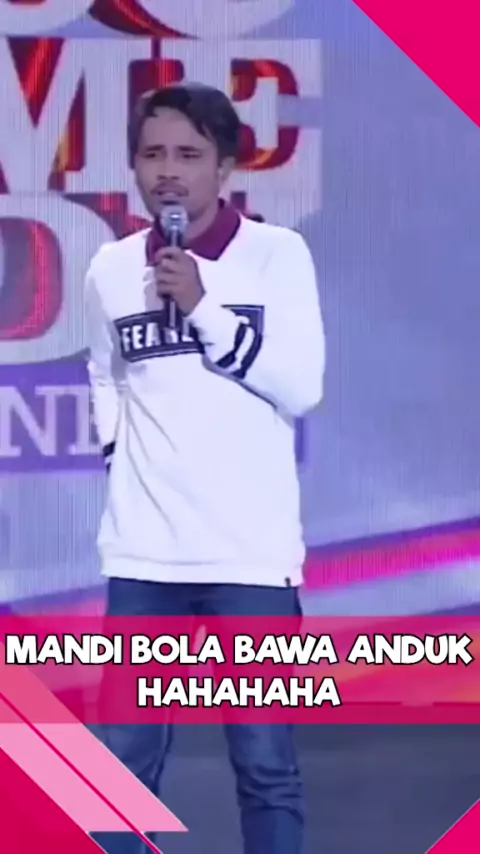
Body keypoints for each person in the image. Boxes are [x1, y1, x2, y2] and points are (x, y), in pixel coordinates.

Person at [85, 82, 326, 854]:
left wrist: (202, 306)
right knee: (121, 770)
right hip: (144, 559)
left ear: (224, 168)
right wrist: (119, 456)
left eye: (188, 155)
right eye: (152, 154)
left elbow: (302, 386)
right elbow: (105, 374)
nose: (168, 171)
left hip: (249, 559)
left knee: (265, 766)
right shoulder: (109, 269)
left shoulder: (276, 256)